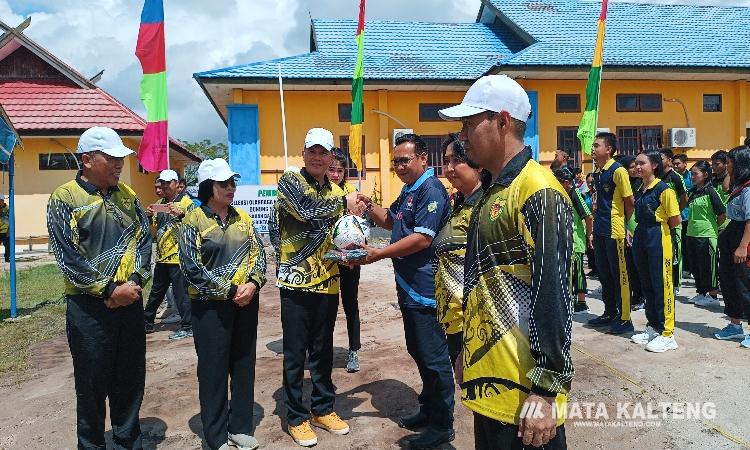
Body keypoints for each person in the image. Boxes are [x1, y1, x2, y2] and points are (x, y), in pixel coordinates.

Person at [439, 74, 573, 449]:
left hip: (525, 395)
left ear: (501, 121)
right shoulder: (490, 192)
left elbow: (554, 295)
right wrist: (469, 351)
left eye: (469, 124)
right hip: (492, 382)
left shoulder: (537, 192)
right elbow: (479, 282)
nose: (462, 136)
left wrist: (546, 390)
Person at [46, 126, 152, 449]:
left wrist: (134, 281)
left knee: (130, 383)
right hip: (89, 311)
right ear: (87, 159)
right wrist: (108, 291)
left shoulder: (128, 196)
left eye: (122, 158)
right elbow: (68, 257)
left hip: (129, 304)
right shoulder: (64, 199)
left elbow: (145, 240)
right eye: (112, 158)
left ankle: (128, 442)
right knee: (91, 390)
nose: (120, 164)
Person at [357, 133, 455, 449]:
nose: (399, 166)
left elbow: (422, 239)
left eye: (405, 160)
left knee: (434, 358)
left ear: (423, 158)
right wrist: (369, 205)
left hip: (426, 289)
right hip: (409, 288)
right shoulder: (409, 190)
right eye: (395, 161)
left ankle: (442, 425)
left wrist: (376, 254)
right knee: (418, 351)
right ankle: (428, 410)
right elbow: (392, 221)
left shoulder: (431, 190)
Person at [275, 127, 360, 447]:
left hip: (328, 283)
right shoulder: (290, 180)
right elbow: (304, 210)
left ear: (331, 157)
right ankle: (295, 416)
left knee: (323, 352)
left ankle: (322, 409)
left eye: (324, 152)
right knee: (295, 354)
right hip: (295, 284)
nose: (317, 157)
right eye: (312, 151)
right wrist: (345, 204)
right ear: (303, 153)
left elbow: (344, 233)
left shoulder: (338, 193)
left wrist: (351, 253)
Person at [178, 158, 266, 450]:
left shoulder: (243, 218)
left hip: (245, 303)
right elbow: (192, 268)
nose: (230, 188)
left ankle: (240, 427)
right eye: (223, 184)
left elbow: (259, 254)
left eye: (232, 183)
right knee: (214, 370)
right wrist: (230, 290)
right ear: (207, 187)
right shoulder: (193, 220)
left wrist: (253, 283)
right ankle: (215, 437)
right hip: (210, 308)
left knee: (243, 365)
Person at [434, 133, 482, 366]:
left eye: (457, 160)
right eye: (446, 161)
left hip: (473, 323)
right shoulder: (460, 203)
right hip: (454, 318)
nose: (449, 168)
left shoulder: (484, 207)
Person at [630, 151, 681, 353]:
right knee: (647, 284)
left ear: (654, 166)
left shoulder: (664, 189)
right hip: (642, 235)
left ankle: (668, 334)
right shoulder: (640, 188)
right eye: (636, 163)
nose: (638, 167)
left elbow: (675, 219)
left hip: (658, 236)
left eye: (642, 163)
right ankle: (654, 327)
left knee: (662, 285)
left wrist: (657, 231)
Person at [588, 132, 635, 334]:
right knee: (604, 275)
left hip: (615, 230)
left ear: (608, 149)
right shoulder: (598, 172)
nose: (592, 149)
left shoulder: (618, 171)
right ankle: (609, 312)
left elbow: (629, 202)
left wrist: (627, 227)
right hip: (600, 229)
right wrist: (592, 231)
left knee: (619, 276)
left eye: (596, 145)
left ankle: (625, 318)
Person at [143, 169, 196, 340]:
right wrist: (149, 217)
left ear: (178, 185)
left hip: (179, 257)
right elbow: (155, 227)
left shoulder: (187, 203)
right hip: (162, 257)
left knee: (182, 293)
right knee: (156, 291)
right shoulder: (160, 203)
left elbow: (194, 223)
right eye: (162, 183)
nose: (164, 186)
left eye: (168, 183)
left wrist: (180, 214)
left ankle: (188, 326)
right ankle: (146, 323)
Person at [327, 148, 363, 373]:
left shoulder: (352, 192)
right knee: (326, 307)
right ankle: (321, 350)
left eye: (340, 170)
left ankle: (353, 351)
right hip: (327, 260)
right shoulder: (321, 193)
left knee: (351, 304)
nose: (335, 174)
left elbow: (360, 226)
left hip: (349, 260)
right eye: (331, 169)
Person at [714, 146, 750, 348]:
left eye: (729, 162)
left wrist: (743, 247)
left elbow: (749, 221)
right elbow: (727, 188)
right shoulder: (739, 186)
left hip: (742, 240)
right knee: (728, 282)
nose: (726, 166)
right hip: (731, 237)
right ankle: (735, 325)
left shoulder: (749, 189)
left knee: (745, 285)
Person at [686, 161, 726, 307]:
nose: (692, 177)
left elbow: (722, 213)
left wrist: (714, 228)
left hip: (707, 235)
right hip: (692, 233)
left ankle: (713, 296)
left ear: (705, 174)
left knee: (709, 266)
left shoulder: (711, 191)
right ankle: (702, 292)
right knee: (696, 266)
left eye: (695, 174)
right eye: (691, 174)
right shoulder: (692, 192)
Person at [555, 167, 593, 314]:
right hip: (565, 240)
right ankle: (569, 300)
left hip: (575, 240)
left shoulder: (575, 193)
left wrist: (590, 235)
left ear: (566, 182)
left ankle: (582, 303)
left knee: (578, 273)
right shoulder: (562, 193)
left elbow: (588, 216)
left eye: (558, 182)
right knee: (567, 273)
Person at [659, 149, 688, 294]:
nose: (659, 161)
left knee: (675, 252)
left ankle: (676, 283)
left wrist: (675, 214)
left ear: (669, 160)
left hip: (673, 222)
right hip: (660, 222)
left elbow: (684, 198)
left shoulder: (675, 177)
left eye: (662, 158)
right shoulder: (657, 176)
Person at [617, 154, 644, 311]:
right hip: (626, 227)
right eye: (631, 167)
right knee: (630, 266)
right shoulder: (625, 185)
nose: (635, 169)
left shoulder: (643, 184)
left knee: (639, 266)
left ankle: (642, 297)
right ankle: (635, 296)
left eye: (637, 165)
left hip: (639, 227)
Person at [0, 194, 9, 262]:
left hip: (6, 230)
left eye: (1, 201)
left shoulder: (7, 208)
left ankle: (7, 258)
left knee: (8, 245)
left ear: (3, 201)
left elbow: (9, 219)